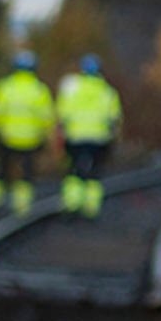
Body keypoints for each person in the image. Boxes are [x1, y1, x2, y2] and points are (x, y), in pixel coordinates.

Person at [0, 49, 56, 216]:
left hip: (6, 137)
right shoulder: (40, 90)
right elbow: (47, 117)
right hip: (30, 140)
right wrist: (47, 137)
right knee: (26, 172)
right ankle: (22, 205)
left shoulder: (5, 87)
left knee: (0, 169)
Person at [55, 52, 122, 218]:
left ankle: (72, 203)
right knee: (95, 172)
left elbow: (61, 113)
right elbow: (115, 118)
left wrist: (61, 132)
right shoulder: (107, 91)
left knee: (74, 170)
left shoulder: (72, 88)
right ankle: (91, 207)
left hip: (75, 136)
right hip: (99, 138)